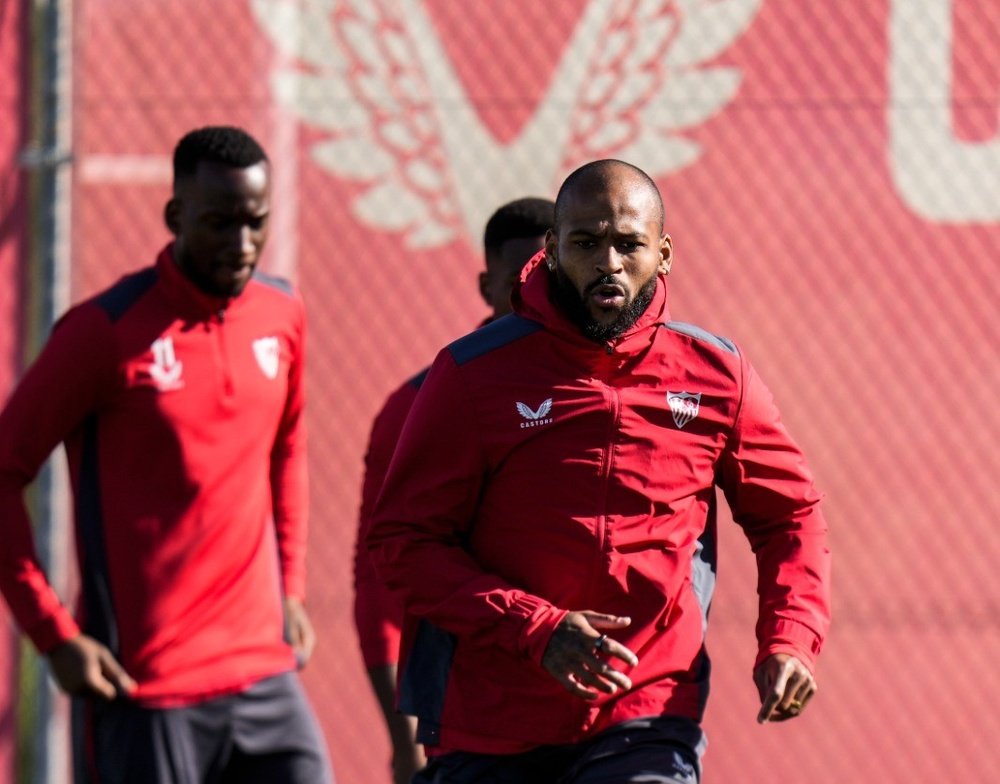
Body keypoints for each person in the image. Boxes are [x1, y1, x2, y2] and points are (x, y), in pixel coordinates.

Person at [366, 160, 832, 783]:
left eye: (628, 243)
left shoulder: (717, 374)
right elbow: (403, 544)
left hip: (647, 707)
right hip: (492, 719)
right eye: (585, 243)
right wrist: (536, 628)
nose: (608, 262)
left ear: (663, 254)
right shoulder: (472, 374)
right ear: (554, 252)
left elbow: (790, 515)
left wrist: (790, 637)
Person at [0, 126, 333, 783]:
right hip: (147, 689)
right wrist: (53, 635)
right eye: (219, 222)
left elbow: (287, 448)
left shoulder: (281, 313)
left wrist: (289, 585)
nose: (241, 244)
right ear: (176, 216)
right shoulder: (103, 333)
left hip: (264, 672)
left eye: (255, 223)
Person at [353, 197, 555, 784]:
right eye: (519, 277)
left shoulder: (607, 391)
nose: (534, 291)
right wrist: (402, 733)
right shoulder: (416, 405)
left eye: (549, 274)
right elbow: (380, 574)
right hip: (469, 721)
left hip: (595, 716)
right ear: (485, 281)